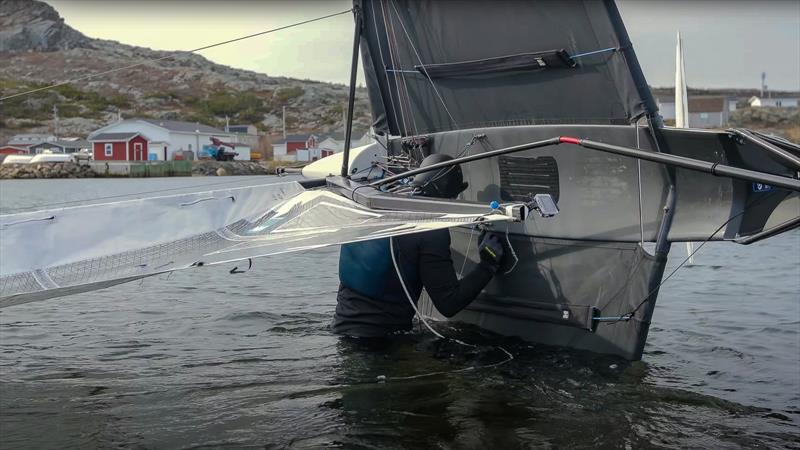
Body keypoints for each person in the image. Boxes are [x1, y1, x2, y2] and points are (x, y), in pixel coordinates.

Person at [333, 154, 506, 338]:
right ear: (449, 192)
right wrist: (488, 265)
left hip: (341, 331)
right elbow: (449, 304)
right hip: (381, 344)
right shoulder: (430, 229)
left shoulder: (372, 208)